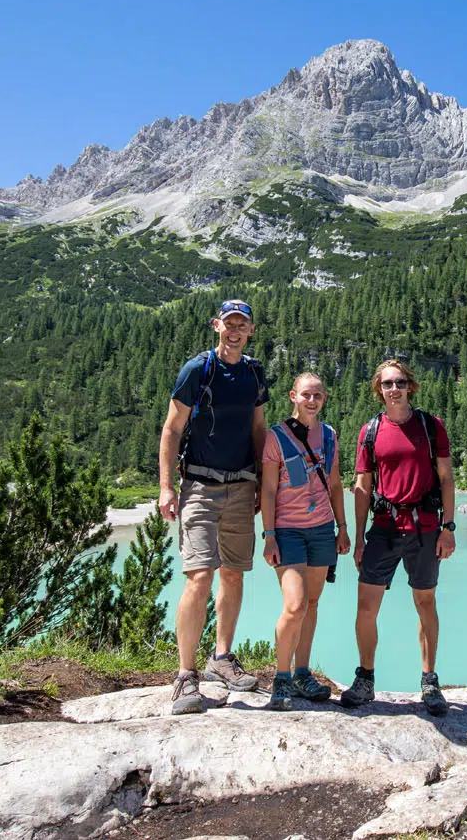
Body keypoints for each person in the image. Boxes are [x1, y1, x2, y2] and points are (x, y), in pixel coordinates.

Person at [158, 299, 269, 715]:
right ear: (216, 326)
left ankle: (221, 659)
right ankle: (186, 675)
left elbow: (258, 428)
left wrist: (262, 482)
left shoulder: (254, 372)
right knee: (199, 576)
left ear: (251, 330)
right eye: (229, 323)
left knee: (234, 575)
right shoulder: (197, 369)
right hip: (199, 486)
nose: (235, 330)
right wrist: (167, 487)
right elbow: (172, 427)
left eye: (242, 324)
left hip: (242, 485)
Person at [342, 360, 457, 716]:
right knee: (366, 607)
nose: (395, 389)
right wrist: (358, 537)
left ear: (410, 386)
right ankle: (365, 679)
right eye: (388, 384)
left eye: (401, 382)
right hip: (384, 528)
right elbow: (362, 485)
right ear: (380, 389)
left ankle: (429, 681)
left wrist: (448, 528)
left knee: (425, 603)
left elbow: (447, 477)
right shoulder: (371, 431)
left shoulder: (430, 426)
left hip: (424, 528)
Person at [259, 372, 351, 710]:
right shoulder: (276, 438)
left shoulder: (328, 435)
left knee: (311, 604)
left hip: (322, 528)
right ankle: (280, 679)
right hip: (287, 531)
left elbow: (336, 483)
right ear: (293, 396)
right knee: (295, 604)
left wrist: (342, 527)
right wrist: (269, 536)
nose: (313, 401)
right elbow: (268, 490)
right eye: (306, 395)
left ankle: (301, 673)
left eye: (318, 395)